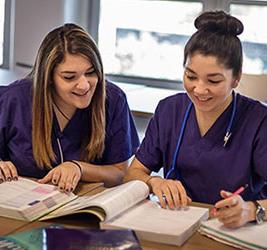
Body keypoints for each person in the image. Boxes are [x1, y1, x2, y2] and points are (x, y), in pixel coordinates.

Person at [124, 10, 267, 228]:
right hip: (178, 223)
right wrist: (154, 182)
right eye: (191, 76)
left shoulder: (258, 120)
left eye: (214, 80)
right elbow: (133, 174)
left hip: (235, 230)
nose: (199, 89)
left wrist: (250, 210)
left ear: (236, 79)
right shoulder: (169, 110)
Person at [0, 23, 139, 192]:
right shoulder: (14, 100)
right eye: (69, 77)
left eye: (91, 73)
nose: (84, 85)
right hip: (19, 207)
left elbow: (120, 173)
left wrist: (79, 168)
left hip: (83, 208)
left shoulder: (113, 99)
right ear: (48, 78)